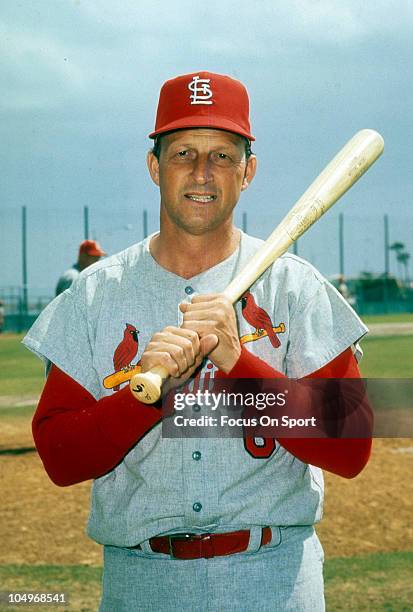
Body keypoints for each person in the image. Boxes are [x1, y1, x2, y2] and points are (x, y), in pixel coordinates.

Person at [23, 72, 373, 611]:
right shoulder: (95, 294)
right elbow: (59, 457)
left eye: (223, 155)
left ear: (248, 171)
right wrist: (149, 397)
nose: (202, 173)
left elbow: (349, 446)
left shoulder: (295, 287)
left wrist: (240, 363)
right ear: (154, 165)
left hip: (274, 578)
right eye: (183, 152)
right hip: (143, 581)